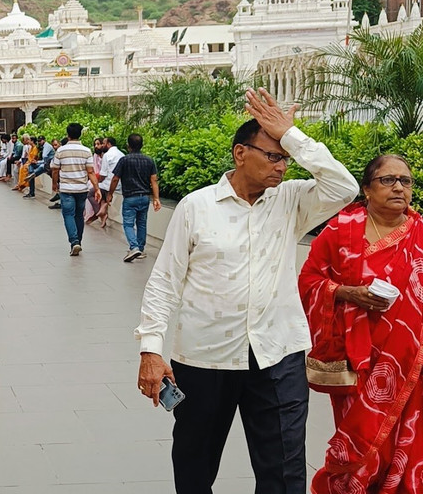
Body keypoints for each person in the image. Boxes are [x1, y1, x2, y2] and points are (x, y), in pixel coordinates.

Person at [135, 89, 357, 494]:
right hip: (205, 359)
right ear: (240, 154)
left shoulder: (291, 201)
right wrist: (151, 348)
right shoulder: (196, 207)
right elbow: (165, 281)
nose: (282, 166)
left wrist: (290, 135)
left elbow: (343, 186)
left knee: (286, 470)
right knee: (194, 465)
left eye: (285, 157)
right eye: (272, 155)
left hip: (278, 354)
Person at [300, 154, 423, 493]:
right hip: (357, 362)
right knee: (362, 441)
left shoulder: (421, 234)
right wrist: (345, 292)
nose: (399, 186)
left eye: (406, 181)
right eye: (388, 180)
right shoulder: (342, 230)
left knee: (408, 444)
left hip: (411, 364)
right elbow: (309, 279)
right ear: (367, 189)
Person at [105, 134, 161, 263]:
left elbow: (115, 178)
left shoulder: (125, 160)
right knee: (141, 223)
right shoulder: (149, 160)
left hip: (130, 197)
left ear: (128, 146)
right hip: (145, 197)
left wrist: (110, 193)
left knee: (128, 224)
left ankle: (134, 247)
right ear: (142, 145)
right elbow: (154, 181)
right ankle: (140, 249)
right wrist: (156, 198)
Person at [50, 124, 101, 256]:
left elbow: (55, 169)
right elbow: (90, 171)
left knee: (68, 214)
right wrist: (97, 188)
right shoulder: (86, 151)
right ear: (80, 134)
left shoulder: (61, 151)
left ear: (68, 134)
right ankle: (78, 241)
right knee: (79, 215)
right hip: (82, 189)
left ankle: (74, 242)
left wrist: (54, 184)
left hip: (66, 188)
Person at [96, 137, 124, 227]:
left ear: (108, 144)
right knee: (102, 193)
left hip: (109, 184)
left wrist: (97, 182)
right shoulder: (122, 154)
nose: (102, 145)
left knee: (92, 191)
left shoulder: (107, 155)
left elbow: (103, 174)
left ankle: (101, 213)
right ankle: (103, 208)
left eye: (103, 143)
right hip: (119, 184)